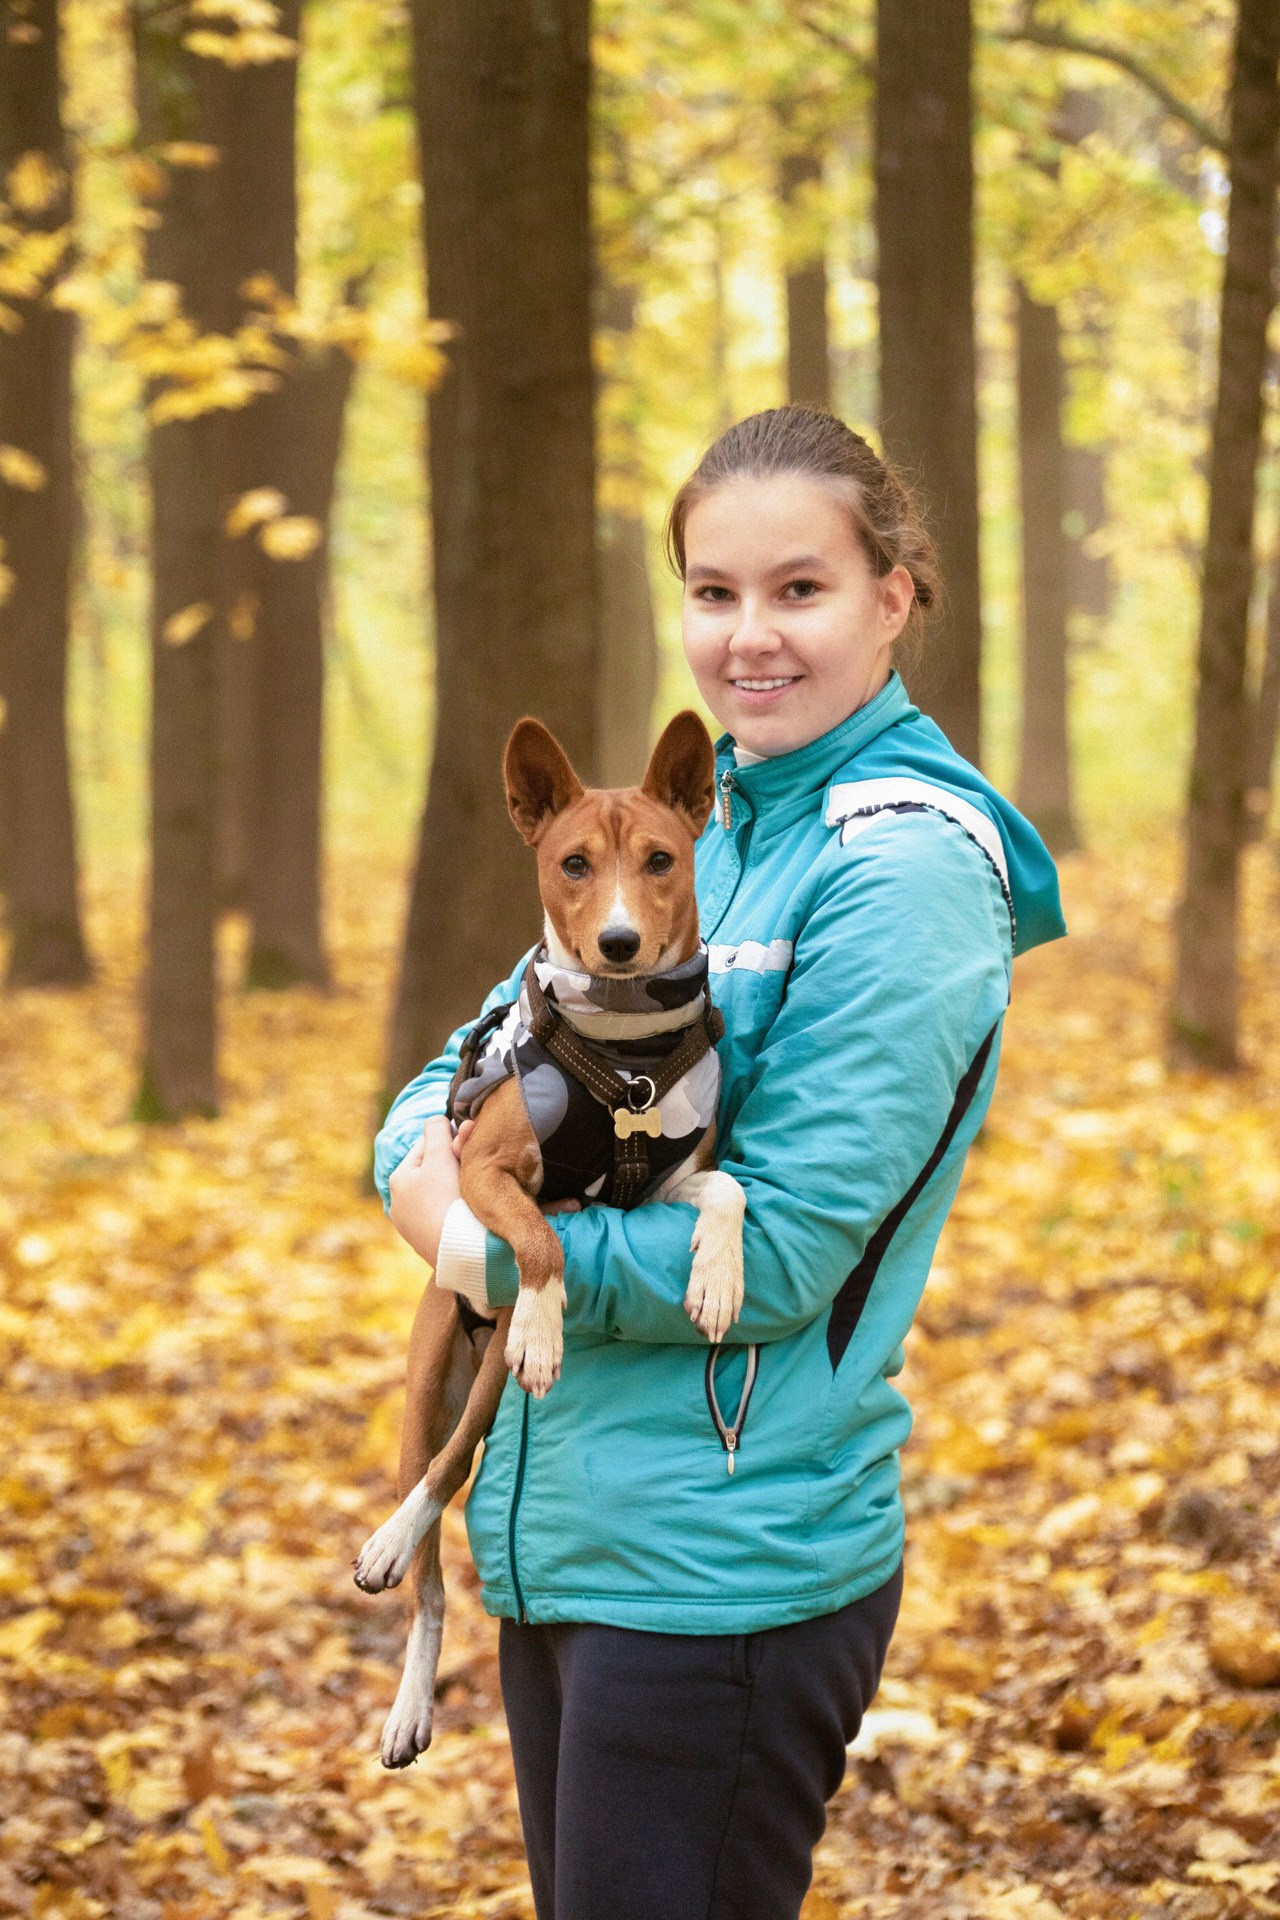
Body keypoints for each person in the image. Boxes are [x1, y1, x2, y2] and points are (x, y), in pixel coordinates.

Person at [374, 406, 1066, 1920]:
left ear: (896, 595)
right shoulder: (687, 831)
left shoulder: (901, 865)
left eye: (799, 589)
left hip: (725, 1567)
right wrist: (436, 1185)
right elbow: (459, 1076)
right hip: (575, 1536)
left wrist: (478, 1239)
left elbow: (788, 1255)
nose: (749, 635)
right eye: (713, 591)